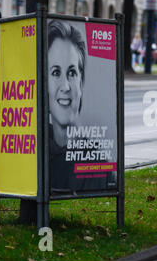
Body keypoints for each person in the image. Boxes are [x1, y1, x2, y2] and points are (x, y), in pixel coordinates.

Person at [47, 20, 115, 194]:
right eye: (55, 72)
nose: (65, 86)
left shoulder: (99, 165)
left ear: (81, 82)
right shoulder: (31, 153)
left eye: (72, 73)